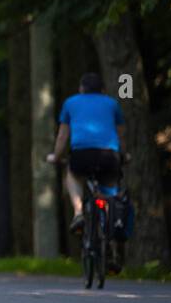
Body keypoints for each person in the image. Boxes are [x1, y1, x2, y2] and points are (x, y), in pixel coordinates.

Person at [46, 71, 125, 234]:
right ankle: (111, 222)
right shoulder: (112, 103)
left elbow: (62, 136)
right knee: (110, 183)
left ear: (81, 89)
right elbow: (121, 134)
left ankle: (78, 212)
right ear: (102, 90)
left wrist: (56, 156)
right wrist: (124, 153)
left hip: (82, 155)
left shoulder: (70, 103)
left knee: (72, 174)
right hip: (109, 155)